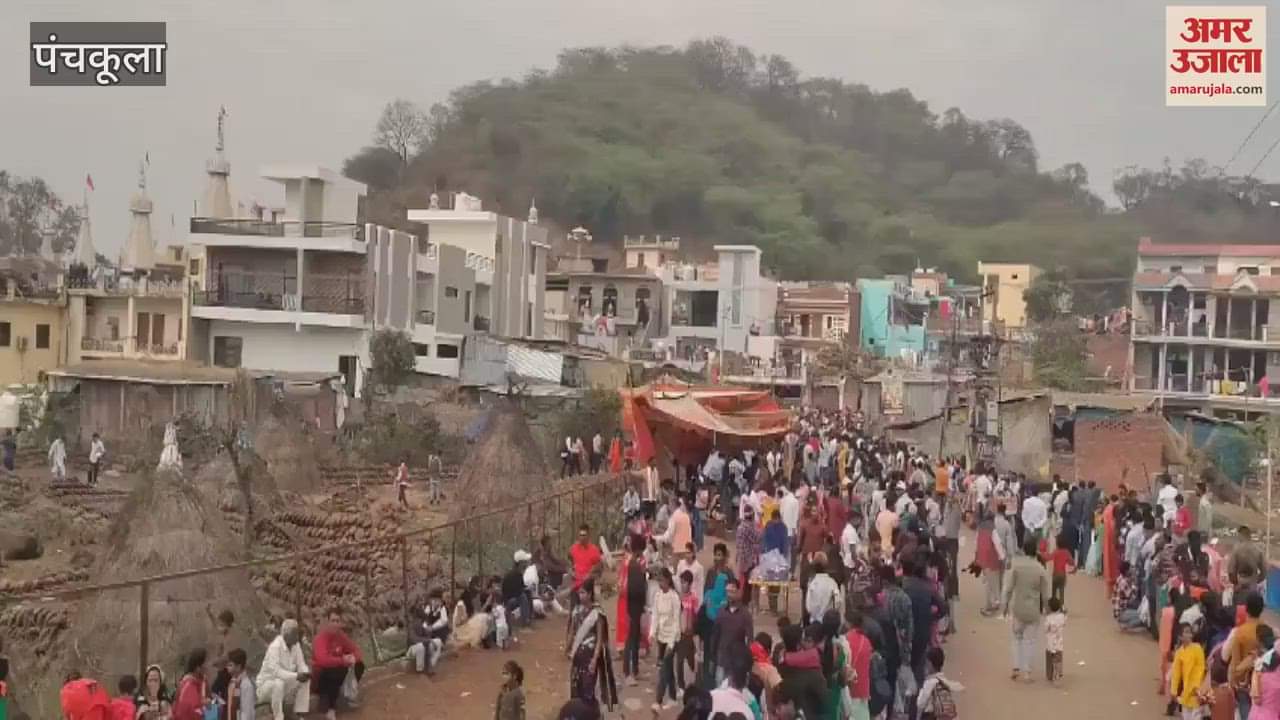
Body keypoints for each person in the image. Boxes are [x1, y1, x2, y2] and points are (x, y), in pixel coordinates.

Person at [1003, 537, 1050, 683]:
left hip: (1018, 608)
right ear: (1035, 550)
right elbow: (1046, 594)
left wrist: (1005, 604)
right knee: (1030, 641)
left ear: (1023, 550)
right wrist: (1048, 610)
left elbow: (1008, 588)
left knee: (1017, 638)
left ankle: (1016, 667)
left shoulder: (1017, 566)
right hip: (1033, 610)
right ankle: (1028, 672)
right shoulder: (1040, 569)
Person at [567, 581, 618, 713]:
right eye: (579, 593)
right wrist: (568, 649)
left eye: (583, 592)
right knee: (576, 687)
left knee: (588, 689)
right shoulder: (576, 611)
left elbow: (600, 638)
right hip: (577, 655)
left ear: (590, 594)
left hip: (589, 656)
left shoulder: (597, 613)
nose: (580, 595)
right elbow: (572, 631)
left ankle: (592, 714)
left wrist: (595, 659)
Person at [312, 607, 364, 720]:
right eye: (333, 621)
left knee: (359, 665)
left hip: (337, 670)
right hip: (321, 676)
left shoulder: (341, 636)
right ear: (327, 622)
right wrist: (343, 660)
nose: (335, 624)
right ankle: (330, 708)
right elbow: (323, 661)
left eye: (338, 621)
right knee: (335, 671)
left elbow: (357, 651)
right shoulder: (320, 638)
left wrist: (352, 658)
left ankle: (346, 695)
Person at [257, 619, 310, 720]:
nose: (297, 637)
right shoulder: (275, 646)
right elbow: (276, 672)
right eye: (295, 634)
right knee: (278, 683)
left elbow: (301, 664)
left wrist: (305, 673)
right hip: (267, 686)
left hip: (285, 682)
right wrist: (296, 675)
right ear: (286, 634)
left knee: (305, 680)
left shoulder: (296, 645)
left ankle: (299, 713)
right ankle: (278, 717)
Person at [1224, 592, 1265, 717]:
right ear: (1262, 609)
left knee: (1245, 711)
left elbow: (1235, 663)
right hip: (1263, 682)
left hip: (1244, 683)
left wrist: (1232, 682)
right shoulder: (1268, 631)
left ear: (1246, 609)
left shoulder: (1240, 632)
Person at [651, 568, 681, 711]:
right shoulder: (657, 595)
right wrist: (652, 633)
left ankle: (658, 700)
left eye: (662, 581)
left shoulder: (674, 597)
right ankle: (673, 697)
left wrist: (671, 643)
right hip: (661, 636)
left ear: (668, 580)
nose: (660, 584)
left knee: (664, 668)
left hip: (672, 637)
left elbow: (676, 621)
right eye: (659, 581)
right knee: (668, 668)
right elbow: (655, 615)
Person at [714, 579, 755, 686]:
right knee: (720, 688)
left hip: (737, 662)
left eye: (732, 591)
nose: (729, 595)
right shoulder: (721, 612)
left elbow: (750, 640)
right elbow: (716, 635)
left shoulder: (745, 614)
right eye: (727, 591)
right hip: (722, 659)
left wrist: (747, 662)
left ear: (738, 592)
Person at [1170, 622, 1206, 720]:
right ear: (1180, 636)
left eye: (1190, 632)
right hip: (1186, 693)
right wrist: (1173, 690)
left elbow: (1201, 668)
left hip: (1197, 691)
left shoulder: (1197, 649)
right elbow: (1176, 673)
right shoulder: (1179, 653)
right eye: (1186, 632)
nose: (1189, 635)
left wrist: (1196, 687)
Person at [916, 646, 963, 720]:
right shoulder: (944, 681)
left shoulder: (929, 682)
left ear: (930, 664)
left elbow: (920, 704)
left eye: (926, 663)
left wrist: (921, 689)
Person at [569, 525, 603, 609]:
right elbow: (570, 562)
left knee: (588, 611)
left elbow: (599, 566)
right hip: (575, 585)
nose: (582, 537)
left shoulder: (594, 550)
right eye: (580, 535)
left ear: (588, 535)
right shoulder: (573, 548)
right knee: (574, 611)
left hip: (587, 587)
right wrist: (571, 571)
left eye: (584, 535)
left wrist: (591, 574)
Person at [804, 553, 841, 626]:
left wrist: (814, 613)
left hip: (814, 621)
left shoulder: (812, 583)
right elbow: (838, 601)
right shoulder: (832, 583)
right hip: (828, 621)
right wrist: (833, 611)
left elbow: (808, 605)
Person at [171, 649, 209, 720]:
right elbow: (191, 712)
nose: (207, 666)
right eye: (205, 663)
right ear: (198, 668)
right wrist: (204, 706)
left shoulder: (200, 682)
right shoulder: (189, 686)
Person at [225, 649, 255, 720]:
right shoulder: (232, 682)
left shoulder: (246, 684)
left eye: (230, 665)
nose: (227, 667)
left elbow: (247, 711)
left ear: (238, 667)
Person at [1044, 596, 1066, 685]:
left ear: (1049, 608)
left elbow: (1045, 629)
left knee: (1050, 660)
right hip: (1059, 644)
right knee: (1058, 660)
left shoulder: (1048, 618)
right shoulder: (1062, 617)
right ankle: (1058, 674)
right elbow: (1064, 622)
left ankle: (1050, 675)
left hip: (1050, 644)